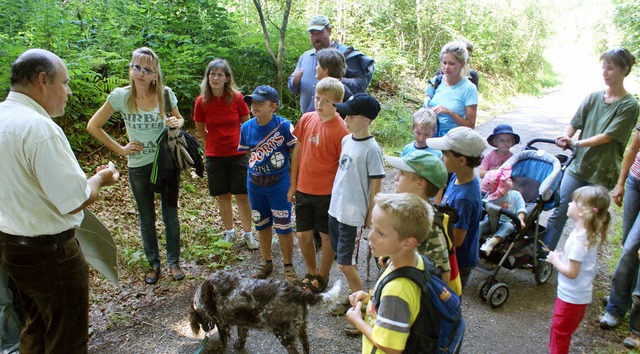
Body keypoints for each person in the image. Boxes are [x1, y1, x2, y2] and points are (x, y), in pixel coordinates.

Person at [0, 48, 119, 353]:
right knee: (66, 339)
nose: (68, 92)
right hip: (50, 252)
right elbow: (74, 201)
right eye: (64, 83)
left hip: (11, 247)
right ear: (43, 80)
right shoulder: (39, 129)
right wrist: (100, 179)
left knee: (36, 327)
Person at [87, 47, 186, 284]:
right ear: (130, 69)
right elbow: (93, 125)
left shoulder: (165, 94)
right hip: (138, 166)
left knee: (170, 215)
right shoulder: (120, 96)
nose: (140, 73)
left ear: (155, 74)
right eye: (136, 67)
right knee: (146, 217)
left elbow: (181, 119)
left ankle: (174, 263)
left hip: (166, 163)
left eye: (147, 69)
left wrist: (176, 122)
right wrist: (120, 149)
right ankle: (154, 264)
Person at [542, 48, 639, 252]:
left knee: (590, 218)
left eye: (610, 68)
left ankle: (581, 261)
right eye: (603, 67)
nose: (604, 72)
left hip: (602, 172)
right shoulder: (593, 97)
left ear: (624, 70)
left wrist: (576, 143)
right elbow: (575, 123)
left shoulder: (629, 105)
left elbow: (607, 137)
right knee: (560, 209)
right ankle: (545, 253)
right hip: (579, 166)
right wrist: (567, 136)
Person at [345, 193, 434, 353]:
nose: (370, 236)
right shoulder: (412, 261)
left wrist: (358, 322)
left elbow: (391, 347)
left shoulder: (396, 291)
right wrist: (371, 301)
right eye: (372, 227)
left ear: (408, 242)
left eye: (380, 233)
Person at [326, 94, 385, 328]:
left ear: (366, 120)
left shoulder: (372, 149)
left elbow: (377, 185)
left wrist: (371, 215)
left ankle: (364, 306)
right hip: (336, 208)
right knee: (343, 259)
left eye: (350, 115)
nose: (345, 118)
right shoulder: (346, 140)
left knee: (345, 262)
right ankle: (355, 297)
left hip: (353, 214)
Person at [288, 77, 349, 293]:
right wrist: (293, 184)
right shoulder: (306, 119)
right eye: (317, 98)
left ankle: (323, 277)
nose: (320, 104)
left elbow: (344, 168)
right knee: (303, 235)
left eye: (326, 101)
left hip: (327, 193)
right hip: (304, 189)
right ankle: (311, 272)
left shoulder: (342, 130)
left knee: (326, 236)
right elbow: (297, 152)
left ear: (338, 103)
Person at [193, 59, 257, 250]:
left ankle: (248, 234)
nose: (215, 77)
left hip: (238, 153)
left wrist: (247, 147)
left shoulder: (237, 98)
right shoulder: (201, 101)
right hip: (214, 155)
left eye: (220, 74)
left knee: (243, 195)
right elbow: (200, 129)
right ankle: (229, 233)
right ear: (207, 77)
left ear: (227, 78)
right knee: (223, 195)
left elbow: (247, 124)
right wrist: (212, 144)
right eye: (212, 74)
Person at [239, 85, 298, 283]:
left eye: (260, 103)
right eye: (252, 102)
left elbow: (296, 154)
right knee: (262, 224)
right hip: (255, 185)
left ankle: (288, 266)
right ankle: (266, 262)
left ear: (273, 106)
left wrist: (293, 185)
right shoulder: (246, 127)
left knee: (283, 226)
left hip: (279, 184)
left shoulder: (284, 126)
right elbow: (248, 154)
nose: (254, 106)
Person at [546, 186, 611, 354]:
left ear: (581, 211)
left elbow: (572, 273)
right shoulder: (586, 233)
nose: (568, 203)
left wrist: (555, 261)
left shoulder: (579, 240)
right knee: (560, 332)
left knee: (559, 333)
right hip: (577, 298)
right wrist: (563, 258)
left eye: (573, 201)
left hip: (571, 298)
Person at [385, 150, 455, 291]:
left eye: (402, 174)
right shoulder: (407, 213)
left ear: (420, 183)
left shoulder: (429, 225)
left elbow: (443, 275)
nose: (396, 178)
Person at [427, 127, 486, 288]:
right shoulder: (457, 177)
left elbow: (456, 240)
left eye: (445, 154)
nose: (441, 156)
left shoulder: (465, 197)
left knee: (449, 300)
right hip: (450, 256)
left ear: (461, 161)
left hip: (458, 261)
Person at [600, 121, 640, 336]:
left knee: (632, 248)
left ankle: (616, 310)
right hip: (636, 181)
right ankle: (622, 297)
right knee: (628, 244)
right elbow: (634, 147)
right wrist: (621, 182)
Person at [288, 14, 374, 113]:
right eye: (312, 34)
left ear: (329, 31)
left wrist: (334, 80)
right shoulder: (304, 57)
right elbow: (293, 88)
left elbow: (361, 86)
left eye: (319, 33)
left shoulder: (345, 55)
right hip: (309, 120)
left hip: (336, 119)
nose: (316, 37)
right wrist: (295, 81)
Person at [423, 41, 478, 137]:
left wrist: (449, 112)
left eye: (451, 64)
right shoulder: (436, 81)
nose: (446, 67)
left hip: (454, 141)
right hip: (431, 138)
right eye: (444, 63)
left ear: (462, 64)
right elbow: (425, 105)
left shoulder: (469, 89)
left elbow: (470, 126)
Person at [479, 166, 526, 256]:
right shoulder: (491, 197)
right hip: (490, 221)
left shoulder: (516, 195)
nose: (510, 179)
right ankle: (472, 243)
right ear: (502, 187)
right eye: (507, 180)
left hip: (506, 222)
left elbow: (521, 208)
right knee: (479, 226)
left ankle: (491, 243)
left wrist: (520, 220)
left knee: (509, 226)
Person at [304, 48, 353, 112]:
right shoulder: (323, 88)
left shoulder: (343, 94)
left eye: (318, 65)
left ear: (325, 70)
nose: (316, 68)